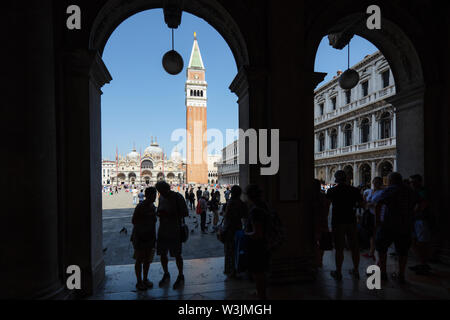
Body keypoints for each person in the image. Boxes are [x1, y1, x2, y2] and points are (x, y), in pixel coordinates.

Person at [373, 172, 417, 283]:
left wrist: (377, 221)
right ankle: (401, 275)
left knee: (382, 248)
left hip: (389, 224)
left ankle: (383, 273)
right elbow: (421, 203)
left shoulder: (390, 189)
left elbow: (378, 204)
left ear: (391, 180)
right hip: (405, 225)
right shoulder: (410, 190)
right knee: (403, 251)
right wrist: (412, 214)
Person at [326, 170, 363, 281]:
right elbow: (361, 204)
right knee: (354, 247)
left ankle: (338, 272)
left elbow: (327, 206)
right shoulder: (354, 190)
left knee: (339, 248)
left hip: (338, 221)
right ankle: (356, 270)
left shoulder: (332, 191)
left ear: (336, 179)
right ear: (346, 178)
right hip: (351, 220)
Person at [155, 181, 189, 289]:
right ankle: (166, 273)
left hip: (175, 229)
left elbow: (185, 213)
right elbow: (159, 209)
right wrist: (159, 212)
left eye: (162, 191)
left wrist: (170, 214)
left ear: (167, 188)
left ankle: (180, 275)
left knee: (177, 254)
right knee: (162, 254)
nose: (161, 193)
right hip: (163, 229)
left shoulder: (177, 197)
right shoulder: (161, 197)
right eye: (159, 191)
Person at [244, 184, 271, 300]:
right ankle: (261, 292)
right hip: (266, 243)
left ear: (250, 196)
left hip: (258, 246)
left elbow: (257, 233)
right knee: (262, 271)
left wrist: (245, 234)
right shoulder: (265, 205)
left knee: (258, 272)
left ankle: (262, 296)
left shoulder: (255, 211)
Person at [131, 187, 157, 290]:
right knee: (139, 259)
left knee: (147, 260)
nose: (155, 196)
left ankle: (145, 279)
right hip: (140, 237)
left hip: (150, 237)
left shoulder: (152, 206)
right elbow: (134, 221)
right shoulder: (140, 206)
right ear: (149, 195)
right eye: (154, 195)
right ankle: (139, 281)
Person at [408, 174, 432, 275]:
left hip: (421, 220)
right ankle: (422, 262)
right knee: (414, 241)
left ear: (419, 182)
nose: (411, 184)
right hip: (415, 220)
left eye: (413, 182)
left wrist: (413, 211)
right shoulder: (415, 192)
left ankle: (424, 264)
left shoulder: (422, 192)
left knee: (422, 243)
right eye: (411, 182)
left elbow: (422, 205)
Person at [223, 185, 248, 278]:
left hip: (229, 229)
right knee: (236, 250)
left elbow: (227, 215)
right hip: (237, 228)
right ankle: (236, 269)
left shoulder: (230, 202)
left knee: (229, 250)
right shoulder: (241, 203)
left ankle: (230, 270)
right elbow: (245, 215)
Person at [361, 177, 384, 260]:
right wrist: (366, 203)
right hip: (369, 214)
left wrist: (372, 204)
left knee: (376, 234)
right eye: (374, 182)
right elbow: (365, 198)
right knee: (371, 234)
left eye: (377, 183)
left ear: (381, 183)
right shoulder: (370, 191)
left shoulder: (382, 192)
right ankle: (371, 252)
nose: (375, 184)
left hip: (377, 215)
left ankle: (377, 253)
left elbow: (381, 204)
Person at [312, 179, 330, 268]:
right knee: (322, 242)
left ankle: (316, 260)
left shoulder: (311, 198)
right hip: (323, 221)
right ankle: (320, 260)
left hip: (314, 222)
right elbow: (327, 210)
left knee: (314, 241)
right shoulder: (324, 197)